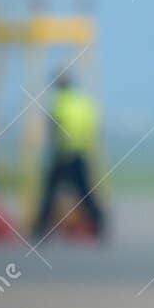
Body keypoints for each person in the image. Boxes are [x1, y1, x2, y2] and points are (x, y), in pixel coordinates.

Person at [31, 68, 106, 242]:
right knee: (85, 193)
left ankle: (40, 229)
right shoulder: (83, 102)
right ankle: (99, 225)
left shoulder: (59, 102)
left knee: (49, 193)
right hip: (81, 153)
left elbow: (53, 128)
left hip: (63, 154)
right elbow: (93, 127)